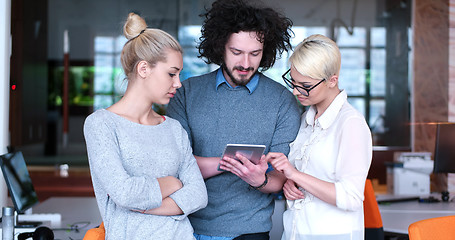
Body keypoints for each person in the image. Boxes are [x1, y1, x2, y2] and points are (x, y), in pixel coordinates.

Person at [166, 0, 301, 239]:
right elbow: (175, 166)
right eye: (236, 52)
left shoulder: (283, 101)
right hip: (185, 228)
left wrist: (259, 179)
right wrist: (230, 163)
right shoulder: (186, 94)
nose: (246, 64)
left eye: (255, 54)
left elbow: (280, 178)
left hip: (249, 231)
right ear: (220, 47)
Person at [83, 13, 207, 240]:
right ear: (143, 69)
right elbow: (125, 193)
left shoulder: (174, 129)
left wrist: (146, 206)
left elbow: (198, 195)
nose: (178, 83)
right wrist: (173, 183)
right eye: (171, 73)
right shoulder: (101, 124)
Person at [267, 34, 373, 240]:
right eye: (293, 82)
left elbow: (351, 197)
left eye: (305, 85)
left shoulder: (351, 124)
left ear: (332, 80)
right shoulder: (306, 119)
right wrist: (291, 183)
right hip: (296, 232)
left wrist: (295, 175)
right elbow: (306, 175)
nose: (297, 91)